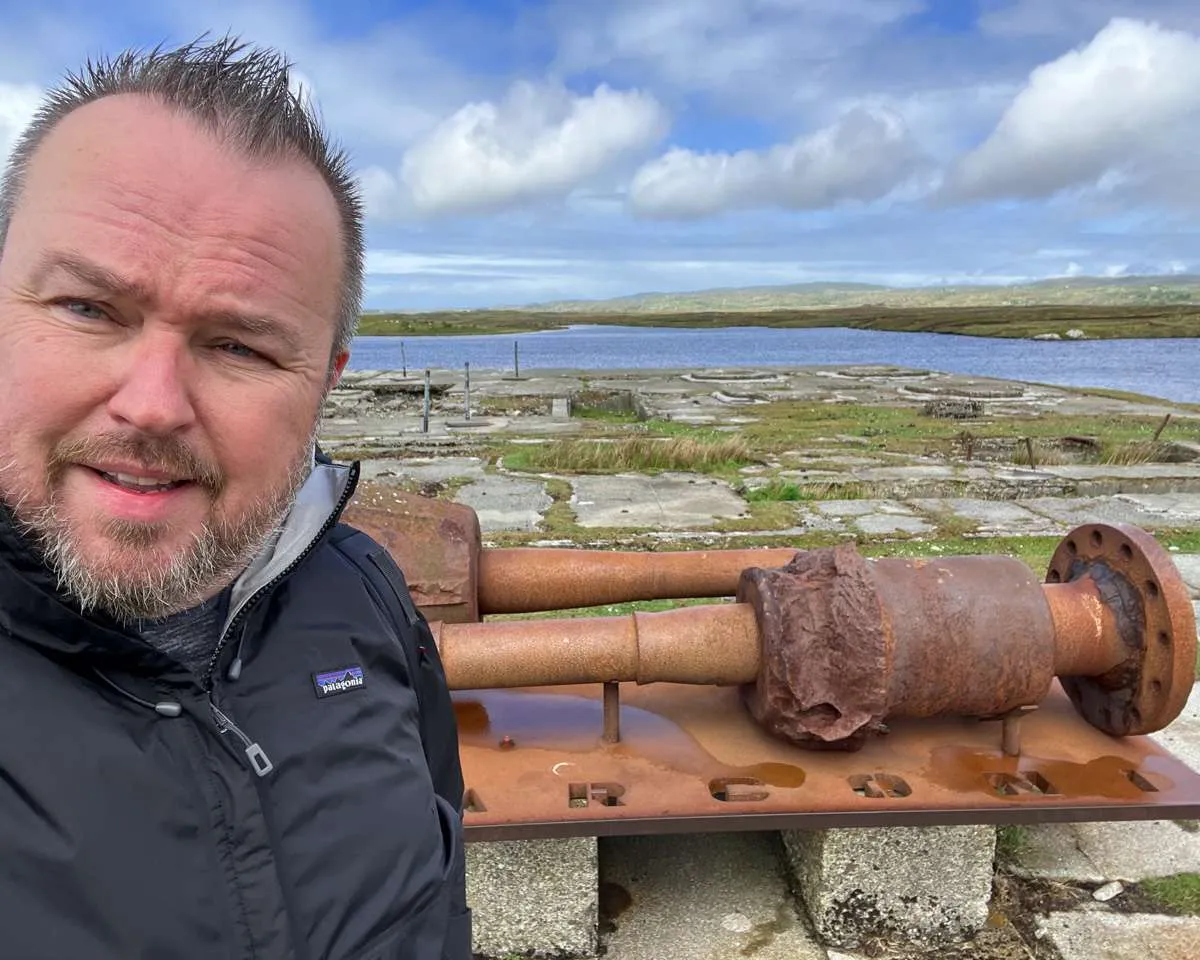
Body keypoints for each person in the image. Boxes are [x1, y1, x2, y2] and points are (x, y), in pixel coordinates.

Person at [0, 35, 469, 960]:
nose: (152, 405)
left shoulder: (362, 593)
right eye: (89, 309)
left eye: (241, 347)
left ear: (326, 381)